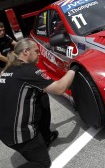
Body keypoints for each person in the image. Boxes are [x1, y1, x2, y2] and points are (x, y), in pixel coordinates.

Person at [0, 38, 78, 168]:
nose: (39, 54)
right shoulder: (28, 71)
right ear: (26, 52)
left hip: (5, 130)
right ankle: (38, 142)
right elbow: (59, 88)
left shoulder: (7, 70)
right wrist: (74, 68)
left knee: (41, 95)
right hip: (18, 136)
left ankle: (45, 136)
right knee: (43, 163)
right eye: (36, 51)